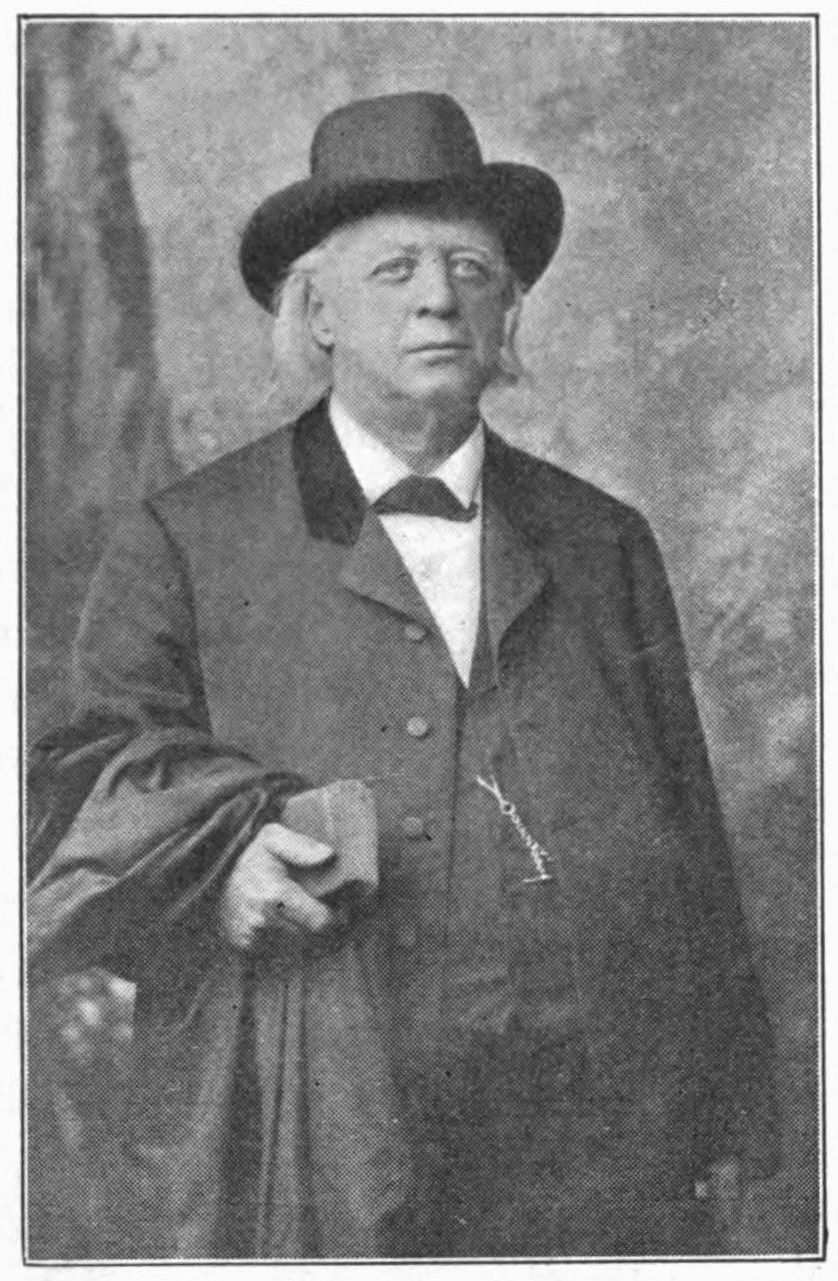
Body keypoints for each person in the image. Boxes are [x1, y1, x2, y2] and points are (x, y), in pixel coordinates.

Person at [28, 91, 779, 1259]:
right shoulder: (185, 538)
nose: (439, 298)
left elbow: (692, 845)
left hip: (604, 1145)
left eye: (470, 269)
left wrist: (731, 1126)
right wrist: (217, 875)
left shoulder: (603, 540)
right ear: (318, 311)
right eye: (395, 270)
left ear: (507, 308)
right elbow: (74, 802)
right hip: (320, 1141)